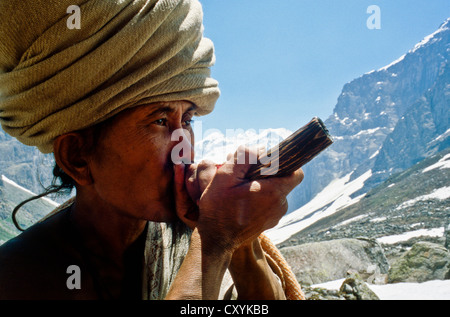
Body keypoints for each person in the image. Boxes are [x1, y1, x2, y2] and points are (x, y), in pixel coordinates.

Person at [0, 0, 304, 300]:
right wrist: (215, 240)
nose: (183, 147)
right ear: (77, 156)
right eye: (160, 121)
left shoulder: (192, 236)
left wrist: (241, 245)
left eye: (187, 120)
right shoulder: (16, 278)